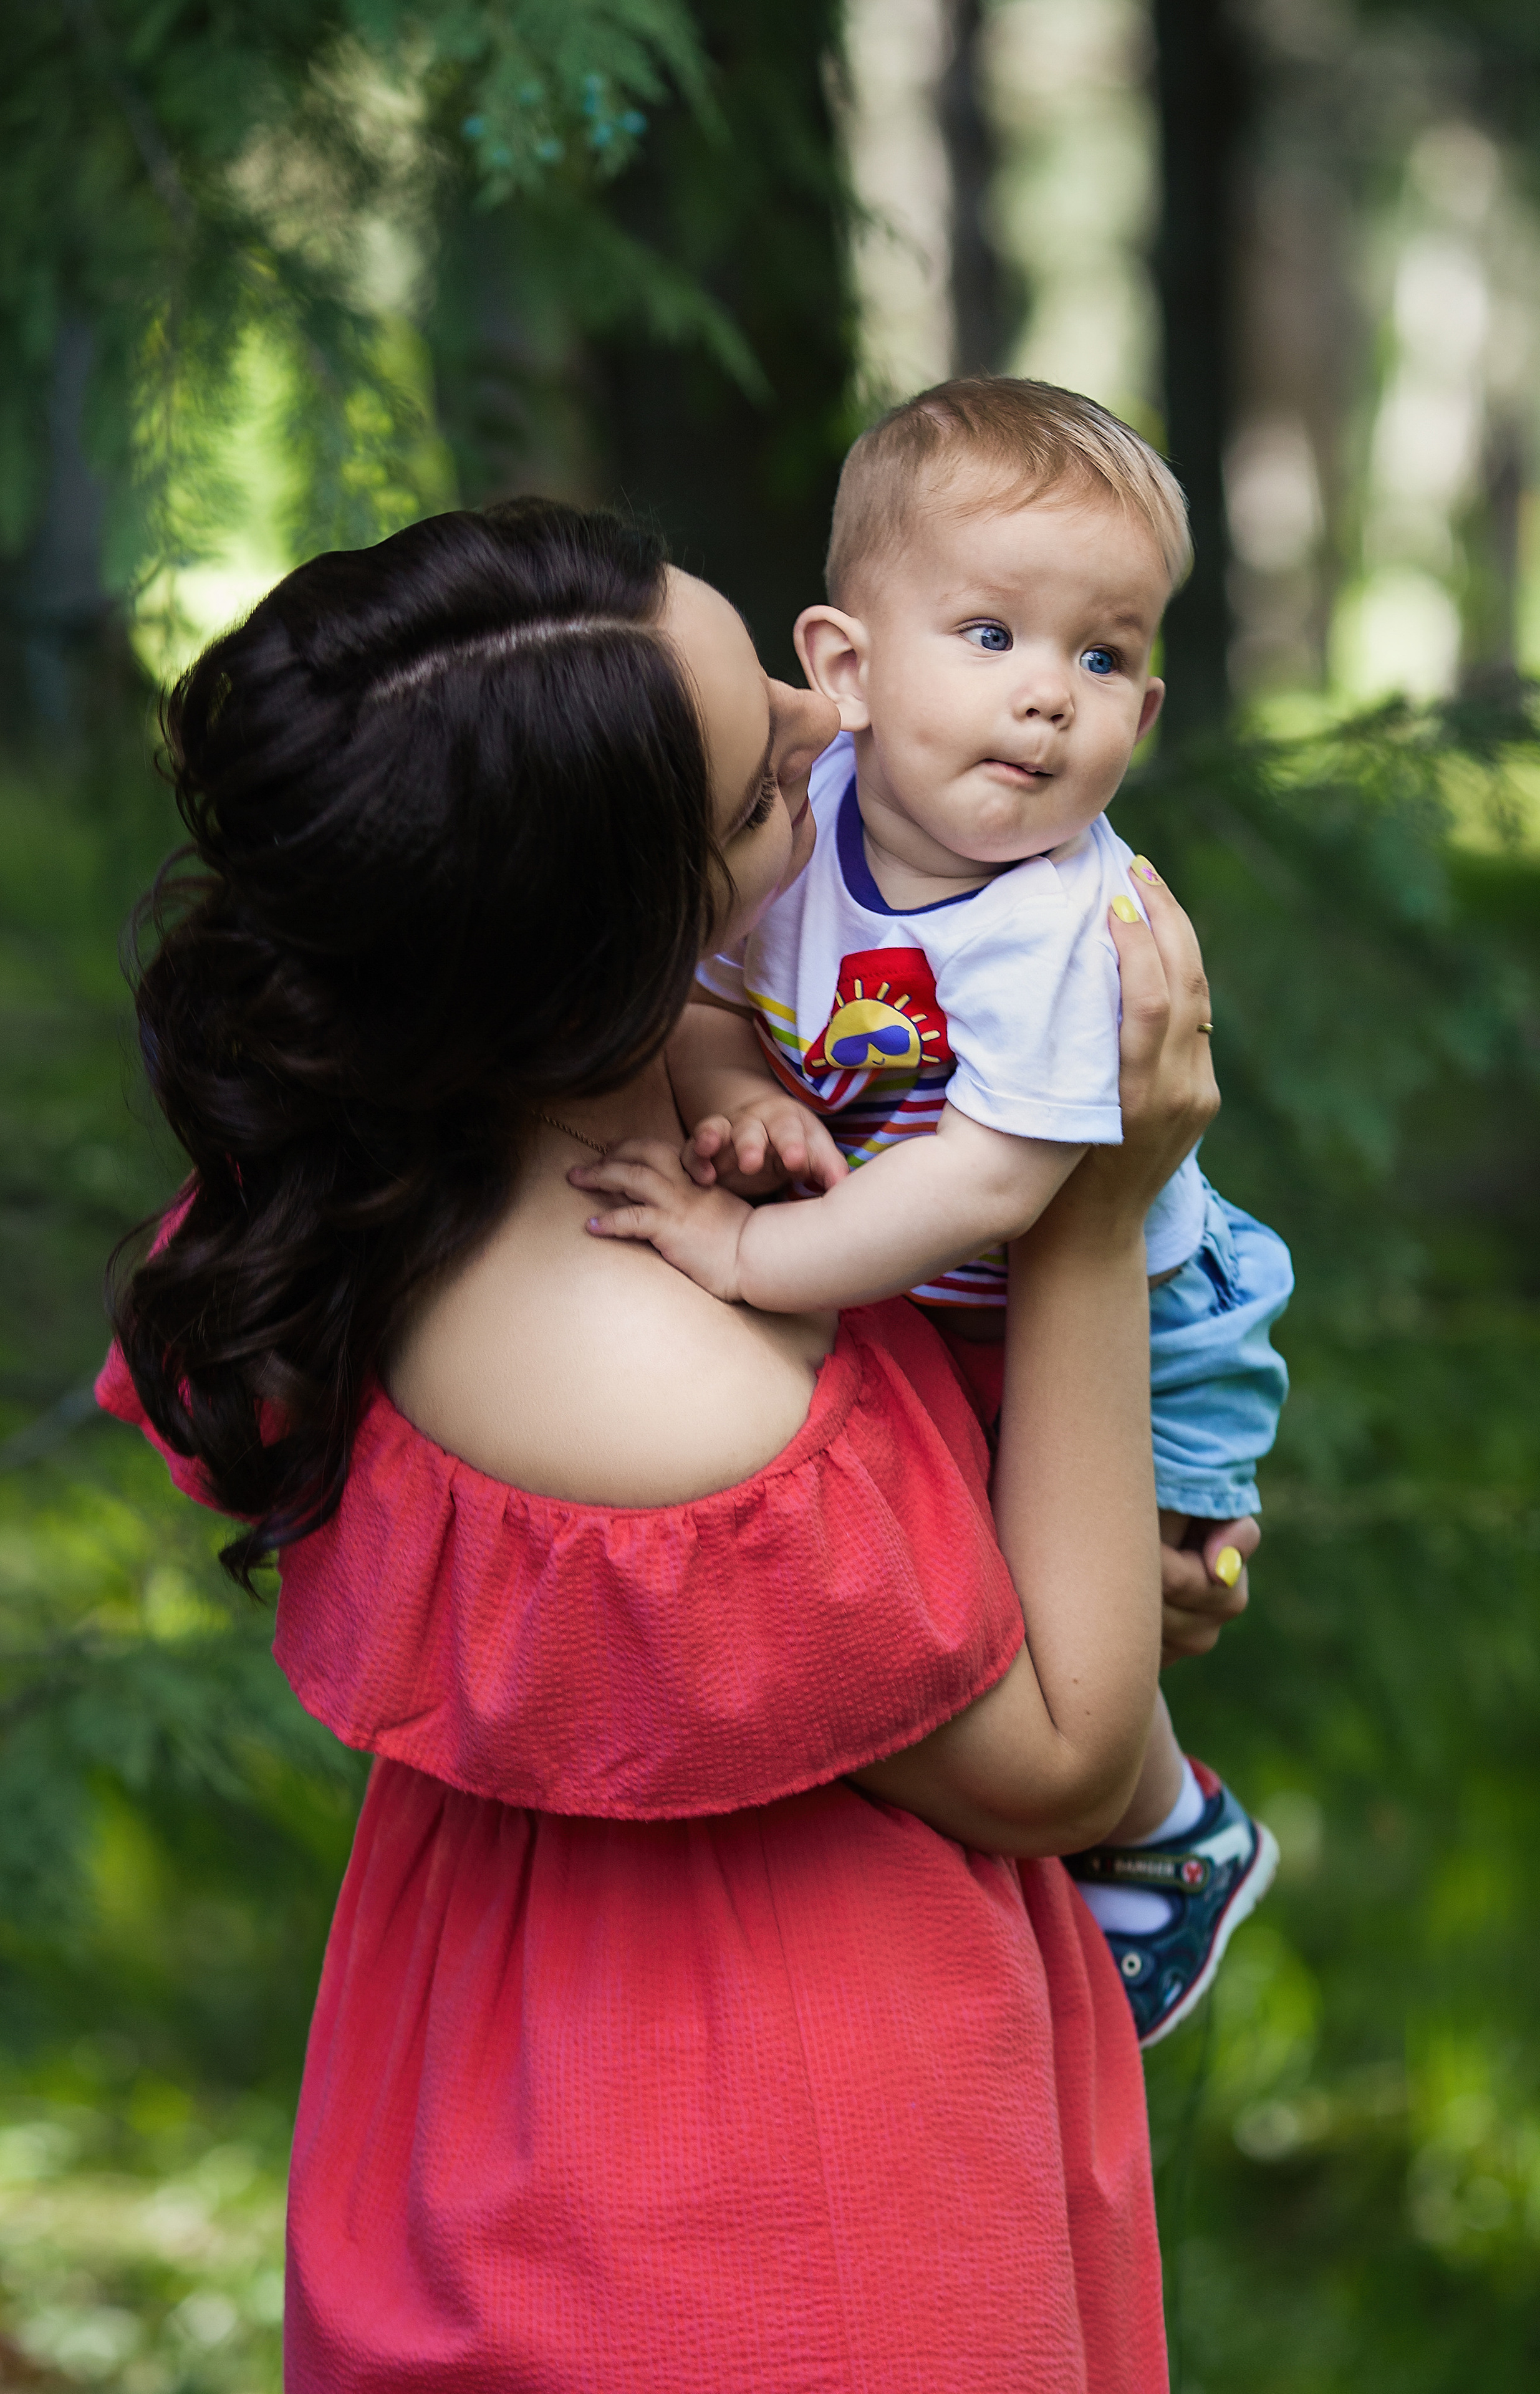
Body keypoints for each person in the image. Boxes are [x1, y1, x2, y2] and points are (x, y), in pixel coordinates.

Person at [98, 498, 1219, 2390]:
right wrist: (1098, 1210)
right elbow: (1059, 1760)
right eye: (761, 791)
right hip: (749, 2186)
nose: (827, 720)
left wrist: (1066, 1532)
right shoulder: (653, 1373)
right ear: (613, 941)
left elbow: (877, 1638)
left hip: (517, 2083)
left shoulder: (407, 1164)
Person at [570, 380, 1291, 2042]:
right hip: (950, 1287)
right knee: (978, 1583)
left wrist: (749, 1247)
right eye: (990, 634)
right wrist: (746, 1093)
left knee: (1126, 1592)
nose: (1048, 699)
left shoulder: (1061, 927)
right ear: (845, 668)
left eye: (1102, 661)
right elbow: (709, 992)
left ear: (1149, 705)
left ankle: (1177, 1836)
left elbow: (998, 1184)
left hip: (1150, 1312)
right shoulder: (804, 821)